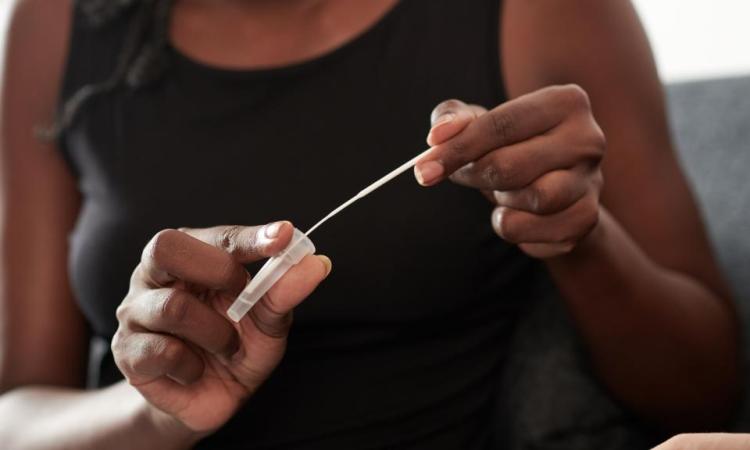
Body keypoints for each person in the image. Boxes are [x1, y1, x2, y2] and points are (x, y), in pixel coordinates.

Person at [0, 0, 741, 448]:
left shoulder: (539, 14)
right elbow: (17, 417)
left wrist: (580, 237)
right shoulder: (60, 26)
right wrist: (158, 411)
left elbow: (707, 392)